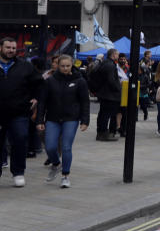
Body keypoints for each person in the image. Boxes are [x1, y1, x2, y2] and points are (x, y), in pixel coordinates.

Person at [36, 55, 89, 188]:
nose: (65, 68)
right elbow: (42, 102)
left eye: (68, 66)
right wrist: (40, 120)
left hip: (71, 119)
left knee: (66, 147)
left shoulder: (80, 81)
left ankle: (65, 175)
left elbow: (85, 102)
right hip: (52, 119)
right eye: (62, 66)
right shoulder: (50, 81)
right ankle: (56, 164)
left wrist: (85, 120)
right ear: (57, 66)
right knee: (50, 147)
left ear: (72, 65)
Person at [0, 38, 43, 186]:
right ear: (1, 48)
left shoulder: (25, 66)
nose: (11, 50)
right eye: (8, 47)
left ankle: (18, 172)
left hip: (19, 112)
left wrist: (36, 98)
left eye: (13, 48)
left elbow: (39, 84)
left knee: (20, 139)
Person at [92, 48, 123, 142]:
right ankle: (103, 133)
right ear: (113, 55)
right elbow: (111, 80)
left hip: (105, 93)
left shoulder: (105, 63)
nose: (118, 56)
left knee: (103, 114)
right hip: (109, 95)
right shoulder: (110, 65)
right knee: (106, 115)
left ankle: (101, 132)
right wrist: (118, 88)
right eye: (117, 54)